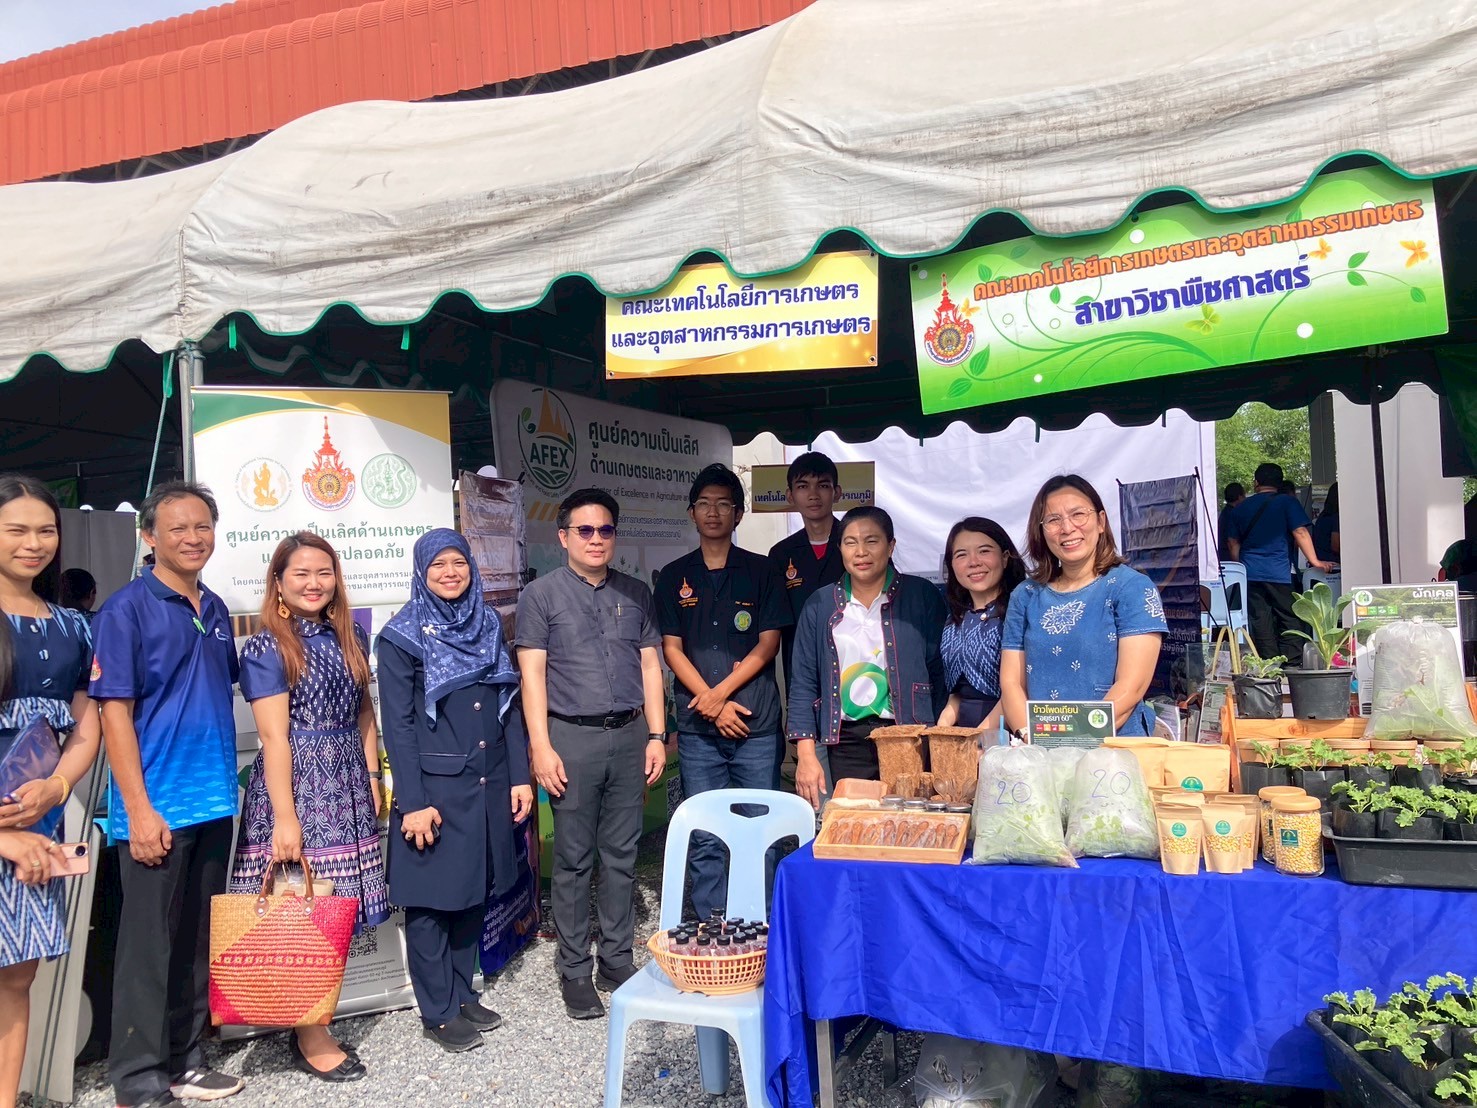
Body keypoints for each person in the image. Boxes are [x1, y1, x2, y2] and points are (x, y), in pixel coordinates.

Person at [90, 481, 242, 1107]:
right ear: (149, 535)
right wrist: (138, 808)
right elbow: (114, 714)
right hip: (156, 807)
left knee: (195, 940)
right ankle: (137, 1078)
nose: (193, 538)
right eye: (178, 528)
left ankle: (186, 1059)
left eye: (203, 526)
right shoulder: (125, 610)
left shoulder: (215, 607)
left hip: (214, 802)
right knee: (147, 947)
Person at [226, 533, 386, 1082]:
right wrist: (286, 817)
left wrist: (372, 775)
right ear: (278, 582)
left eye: (324, 572)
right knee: (303, 909)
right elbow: (273, 738)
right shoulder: (267, 647)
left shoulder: (351, 634)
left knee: (335, 908)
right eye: (301, 573)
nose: (314, 583)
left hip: (348, 780)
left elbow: (364, 712)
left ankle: (316, 1018)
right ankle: (310, 1034)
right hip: (299, 785)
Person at [377, 530, 532, 1053]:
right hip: (436, 791)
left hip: (488, 782)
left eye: (458, 563)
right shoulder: (401, 637)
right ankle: (438, 1012)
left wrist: (519, 776)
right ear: (421, 572)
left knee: (474, 891)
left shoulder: (485, 622)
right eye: (438, 564)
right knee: (431, 902)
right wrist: (413, 803)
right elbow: (398, 725)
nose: (450, 573)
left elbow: (507, 704)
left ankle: (464, 994)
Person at [517, 489, 666, 1021]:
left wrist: (656, 734)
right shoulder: (540, 596)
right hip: (571, 739)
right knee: (575, 860)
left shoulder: (636, 592)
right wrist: (540, 745)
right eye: (585, 530)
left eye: (605, 530)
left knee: (621, 856)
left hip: (629, 737)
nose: (596, 539)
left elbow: (650, 666)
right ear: (564, 537)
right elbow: (532, 674)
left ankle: (616, 960)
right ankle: (575, 969)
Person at [0, 476, 101, 1108]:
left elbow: (86, 725)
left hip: (39, 820)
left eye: (45, 530)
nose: (33, 543)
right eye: (16, 530)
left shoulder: (72, 627)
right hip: (9, 835)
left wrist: (60, 785)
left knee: (16, 977)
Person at [655, 464, 789, 918]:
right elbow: (671, 649)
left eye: (723, 505)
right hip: (699, 731)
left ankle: (762, 921)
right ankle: (712, 923)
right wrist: (711, 704)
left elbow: (767, 644)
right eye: (704, 504)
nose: (713, 513)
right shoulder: (674, 576)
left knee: (760, 827)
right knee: (707, 832)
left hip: (755, 725)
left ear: (739, 514)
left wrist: (720, 694)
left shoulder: (763, 571)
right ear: (691, 513)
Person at [788, 507, 947, 807]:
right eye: (850, 542)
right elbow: (804, 682)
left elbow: (940, 673)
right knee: (852, 822)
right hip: (845, 741)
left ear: (891, 546)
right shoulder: (820, 604)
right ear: (840, 549)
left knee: (907, 823)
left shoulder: (921, 596)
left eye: (872, 541)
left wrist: (938, 740)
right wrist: (806, 754)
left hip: (908, 737)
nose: (861, 552)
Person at [1000, 474, 1168, 738]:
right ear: (1041, 531)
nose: (1067, 528)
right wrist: (1032, 738)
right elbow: (1011, 683)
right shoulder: (1025, 595)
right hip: (1039, 749)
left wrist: (1072, 739)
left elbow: (1132, 685)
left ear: (1100, 522)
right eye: (1053, 520)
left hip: (1114, 748)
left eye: (1078, 514)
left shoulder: (1132, 587)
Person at [767, 453, 846, 790]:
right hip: (803, 680)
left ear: (837, 493)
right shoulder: (781, 554)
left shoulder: (855, 543)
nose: (813, 495)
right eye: (803, 486)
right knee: (815, 783)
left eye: (823, 486)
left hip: (856, 675)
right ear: (790, 495)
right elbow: (773, 625)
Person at [1226, 463, 1333, 664]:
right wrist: (1314, 560)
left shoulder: (1240, 508)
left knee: (1260, 617)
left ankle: (1269, 661)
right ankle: (1291, 660)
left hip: (1250, 572)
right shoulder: (1287, 502)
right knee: (1289, 615)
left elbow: (1232, 542)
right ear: (1279, 482)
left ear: (1256, 482)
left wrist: (1241, 567)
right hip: (1280, 571)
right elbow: (1300, 532)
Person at [937, 516, 1026, 731]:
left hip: (1008, 733)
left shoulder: (1021, 612)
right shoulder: (954, 619)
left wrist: (980, 737)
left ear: (1005, 558)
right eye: (961, 554)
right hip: (966, 735)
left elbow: (1017, 688)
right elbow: (959, 692)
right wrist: (943, 727)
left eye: (984, 551)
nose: (974, 562)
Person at [1312, 482, 1340, 565]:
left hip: (1320, 562)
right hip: (1333, 564)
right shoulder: (1336, 517)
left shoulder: (1323, 516)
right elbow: (1336, 546)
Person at [1216, 483, 1244, 563]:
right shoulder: (1233, 514)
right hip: (1230, 558)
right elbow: (1232, 542)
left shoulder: (1225, 513)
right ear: (1240, 497)